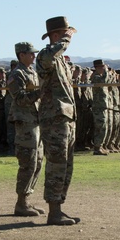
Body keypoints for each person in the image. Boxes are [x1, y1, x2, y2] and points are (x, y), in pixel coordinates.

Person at [36, 16, 79, 225]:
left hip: (66, 116)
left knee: (66, 164)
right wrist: (66, 40)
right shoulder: (45, 55)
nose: (68, 37)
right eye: (64, 33)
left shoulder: (61, 60)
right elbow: (49, 56)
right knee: (56, 162)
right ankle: (53, 211)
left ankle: (59, 207)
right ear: (55, 36)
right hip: (53, 117)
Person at [7, 42, 45, 216]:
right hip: (25, 122)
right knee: (28, 162)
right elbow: (20, 98)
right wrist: (40, 93)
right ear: (21, 55)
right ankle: (21, 203)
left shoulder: (32, 72)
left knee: (37, 162)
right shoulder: (16, 74)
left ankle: (27, 199)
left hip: (35, 121)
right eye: (31, 53)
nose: (34, 56)